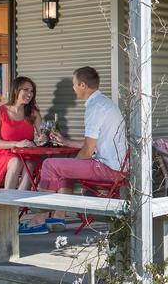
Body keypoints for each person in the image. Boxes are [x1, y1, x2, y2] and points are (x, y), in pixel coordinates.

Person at [32, 67, 128, 219]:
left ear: (83, 85)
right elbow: (94, 143)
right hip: (117, 167)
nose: (73, 88)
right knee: (65, 167)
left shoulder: (94, 107)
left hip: (109, 168)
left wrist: (73, 164)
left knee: (49, 165)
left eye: (74, 84)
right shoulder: (104, 103)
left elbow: (88, 151)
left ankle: (39, 219)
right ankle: (58, 217)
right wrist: (65, 141)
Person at [0, 77, 57, 235]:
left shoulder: (32, 113)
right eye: (26, 89)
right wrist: (16, 144)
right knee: (18, 161)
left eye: (32, 91)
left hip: (27, 154)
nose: (30, 94)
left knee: (29, 164)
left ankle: (11, 211)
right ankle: (6, 205)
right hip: (4, 153)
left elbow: (43, 135)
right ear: (16, 90)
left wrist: (42, 138)